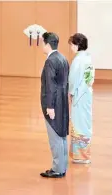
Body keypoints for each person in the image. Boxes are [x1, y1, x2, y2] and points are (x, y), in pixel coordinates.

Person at [39, 32, 70, 178]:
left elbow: (50, 86)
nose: (41, 46)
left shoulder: (50, 61)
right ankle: (62, 166)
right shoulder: (63, 58)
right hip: (62, 101)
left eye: (42, 42)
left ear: (47, 43)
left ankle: (57, 168)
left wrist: (50, 107)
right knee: (62, 134)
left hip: (54, 103)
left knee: (55, 136)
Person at [68, 33, 94, 164]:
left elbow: (73, 80)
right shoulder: (87, 58)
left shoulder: (78, 60)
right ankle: (84, 154)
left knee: (79, 123)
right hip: (86, 93)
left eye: (72, 44)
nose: (71, 47)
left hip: (79, 95)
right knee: (85, 122)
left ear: (77, 45)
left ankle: (81, 156)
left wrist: (71, 93)